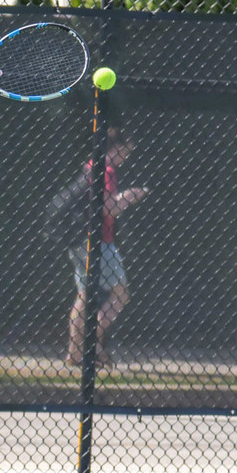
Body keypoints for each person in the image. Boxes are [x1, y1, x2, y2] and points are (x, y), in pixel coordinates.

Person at [66, 128, 148, 367]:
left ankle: (74, 352)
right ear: (116, 148)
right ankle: (89, 342)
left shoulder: (90, 166)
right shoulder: (107, 170)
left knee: (83, 296)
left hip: (79, 239)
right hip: (99, 241)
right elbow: (108, 209)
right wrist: (129, 198)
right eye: (125, 151)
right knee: (120, 294)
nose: (126, 157)